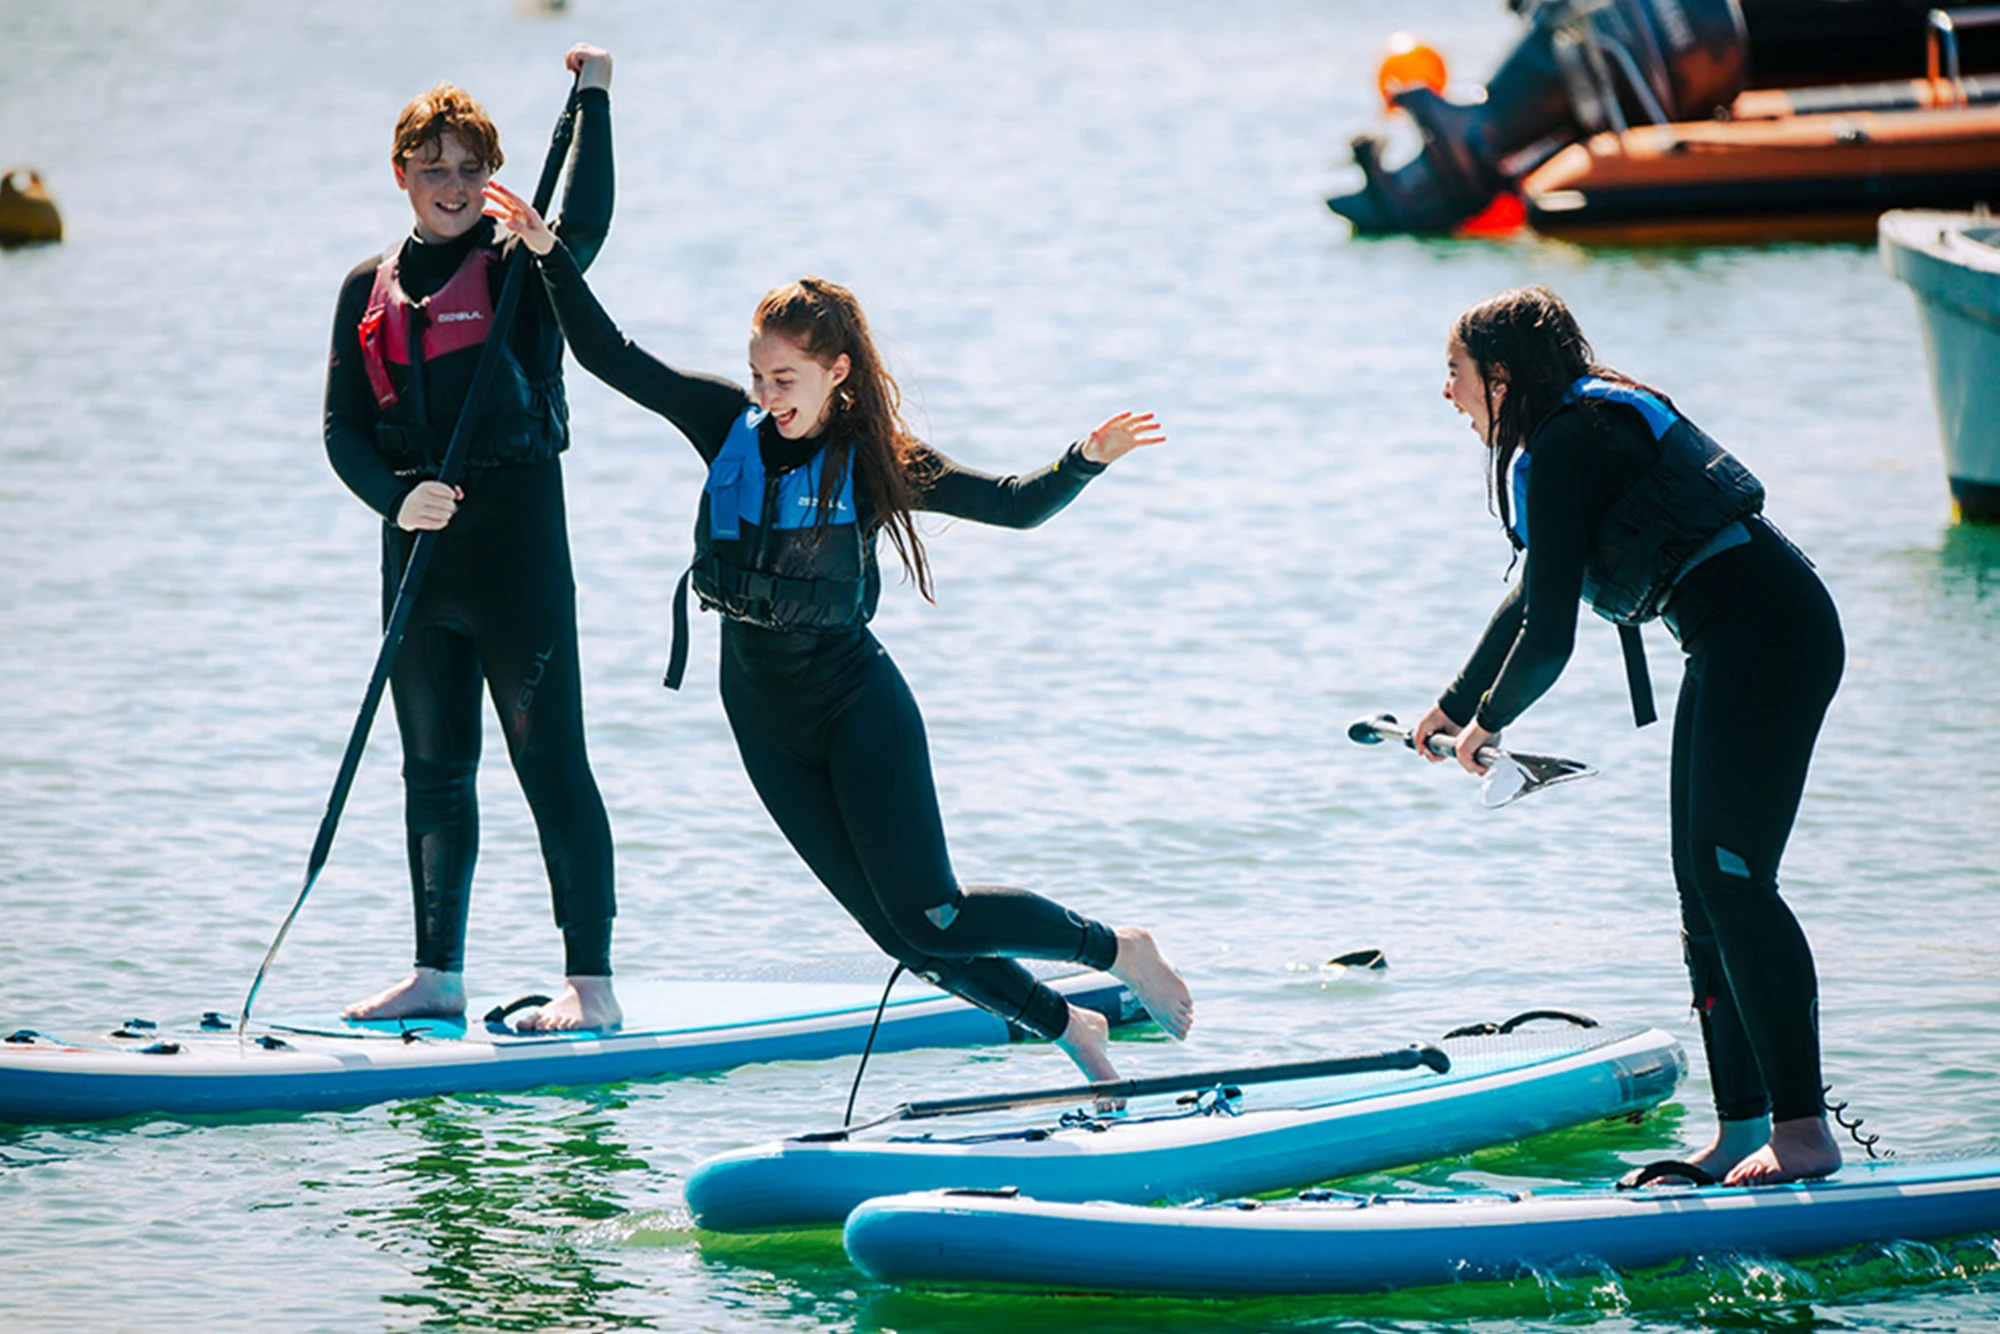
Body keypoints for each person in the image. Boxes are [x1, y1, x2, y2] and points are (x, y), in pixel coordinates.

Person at [481, 181, 1193, 1081]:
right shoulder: (724, 426)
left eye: (788, 379)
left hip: (856, 704)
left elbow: (1014, 508)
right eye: (760, 378)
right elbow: (611, 356)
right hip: (760, 714)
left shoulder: (877, 461)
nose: (769, 395)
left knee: (932, 913)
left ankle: (1114, 947)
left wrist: (1084, 460)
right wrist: (549, 255)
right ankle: (1068, 1027)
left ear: (837, 373)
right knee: (905, 939)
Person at [1413, 286, 1844, 1185]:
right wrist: (1456, 702)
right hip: (1731, 641)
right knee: (1703, 887)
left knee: (1734, 878)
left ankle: (1803, 1134)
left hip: (1770, 635)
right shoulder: (1569, 436)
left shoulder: (1574, 439)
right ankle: (1742, 1130)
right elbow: (1537, 591)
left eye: (1452, 374)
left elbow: (1555, 634)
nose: (1444, 394)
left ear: (1498, 375)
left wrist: (1490, 724)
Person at [322, 47, 622, 1032]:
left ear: (490, 178)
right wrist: (393, 500)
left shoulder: (515, 270)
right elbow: (342, 430)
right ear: (401, 174)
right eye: (432, 167)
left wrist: (595, 99)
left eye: (467, 169)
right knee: (433, 768)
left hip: (515, 555)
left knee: (549, 760)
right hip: (417, 555)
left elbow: (587, 225)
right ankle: (436, 973)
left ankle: (591, 981)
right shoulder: (366, 285)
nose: (451, 187)